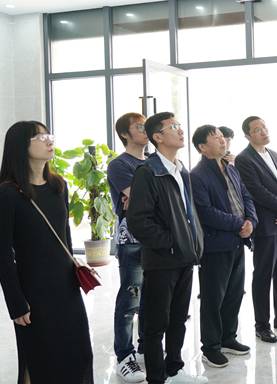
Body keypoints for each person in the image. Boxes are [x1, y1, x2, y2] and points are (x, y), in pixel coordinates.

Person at [0, 121, 94, 384]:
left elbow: (64, 236)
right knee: (42, 357)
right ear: (20, 146)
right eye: (39, 137)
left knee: (79, 353)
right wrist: (16, 302)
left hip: (66, 286)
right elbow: (3, 256)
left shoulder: (58, 185)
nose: (49, 140)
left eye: (49, 135)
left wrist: (75, 263)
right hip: (34, 290)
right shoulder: (7, 194)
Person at [126, 112, 208, 384]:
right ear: (157, 137)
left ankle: (175, 369)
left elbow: (188, 213)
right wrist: (171, 242)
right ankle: (157, 377)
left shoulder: (181, 169)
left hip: (185, 256)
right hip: (163, 259)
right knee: (156, 324)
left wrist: (191, 242)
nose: (181, 130)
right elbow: (139, 221)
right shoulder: (148, 171)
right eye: (173, 127)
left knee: (178, 319)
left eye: (180, 125)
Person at [190, 125, 257, 368]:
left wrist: (251, 221)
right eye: (215, 137)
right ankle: (210, 348)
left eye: (222, 136)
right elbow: (205, 211)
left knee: (234, 294)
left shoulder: (231, 168)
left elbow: (246, 197)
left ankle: (228, 338)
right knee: (213, 298)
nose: (222, 140)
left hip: (237, 241)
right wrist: (239, 224)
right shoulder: (197, 175)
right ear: (202, 147)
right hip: (215, 245)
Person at [235, 116, 277, 343]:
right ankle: (262, 325)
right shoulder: (244, 159)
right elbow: (256, 191)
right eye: (257, 129)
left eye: (264, 127)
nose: (263, 131)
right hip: (266, 225)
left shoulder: (273, 153)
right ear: (248, 136)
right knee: (263, 276)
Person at [108, 112, 149, 383]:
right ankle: (124, 356)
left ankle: (146, 349)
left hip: (156, 239)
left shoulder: (153, 161)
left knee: (151, 299)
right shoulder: (120, 164)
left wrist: (143, 197)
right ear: (125, 133)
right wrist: (143, 197)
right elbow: (143, 199)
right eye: (139, 127)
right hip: (131, 240)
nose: (145, 131)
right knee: (130, 299)